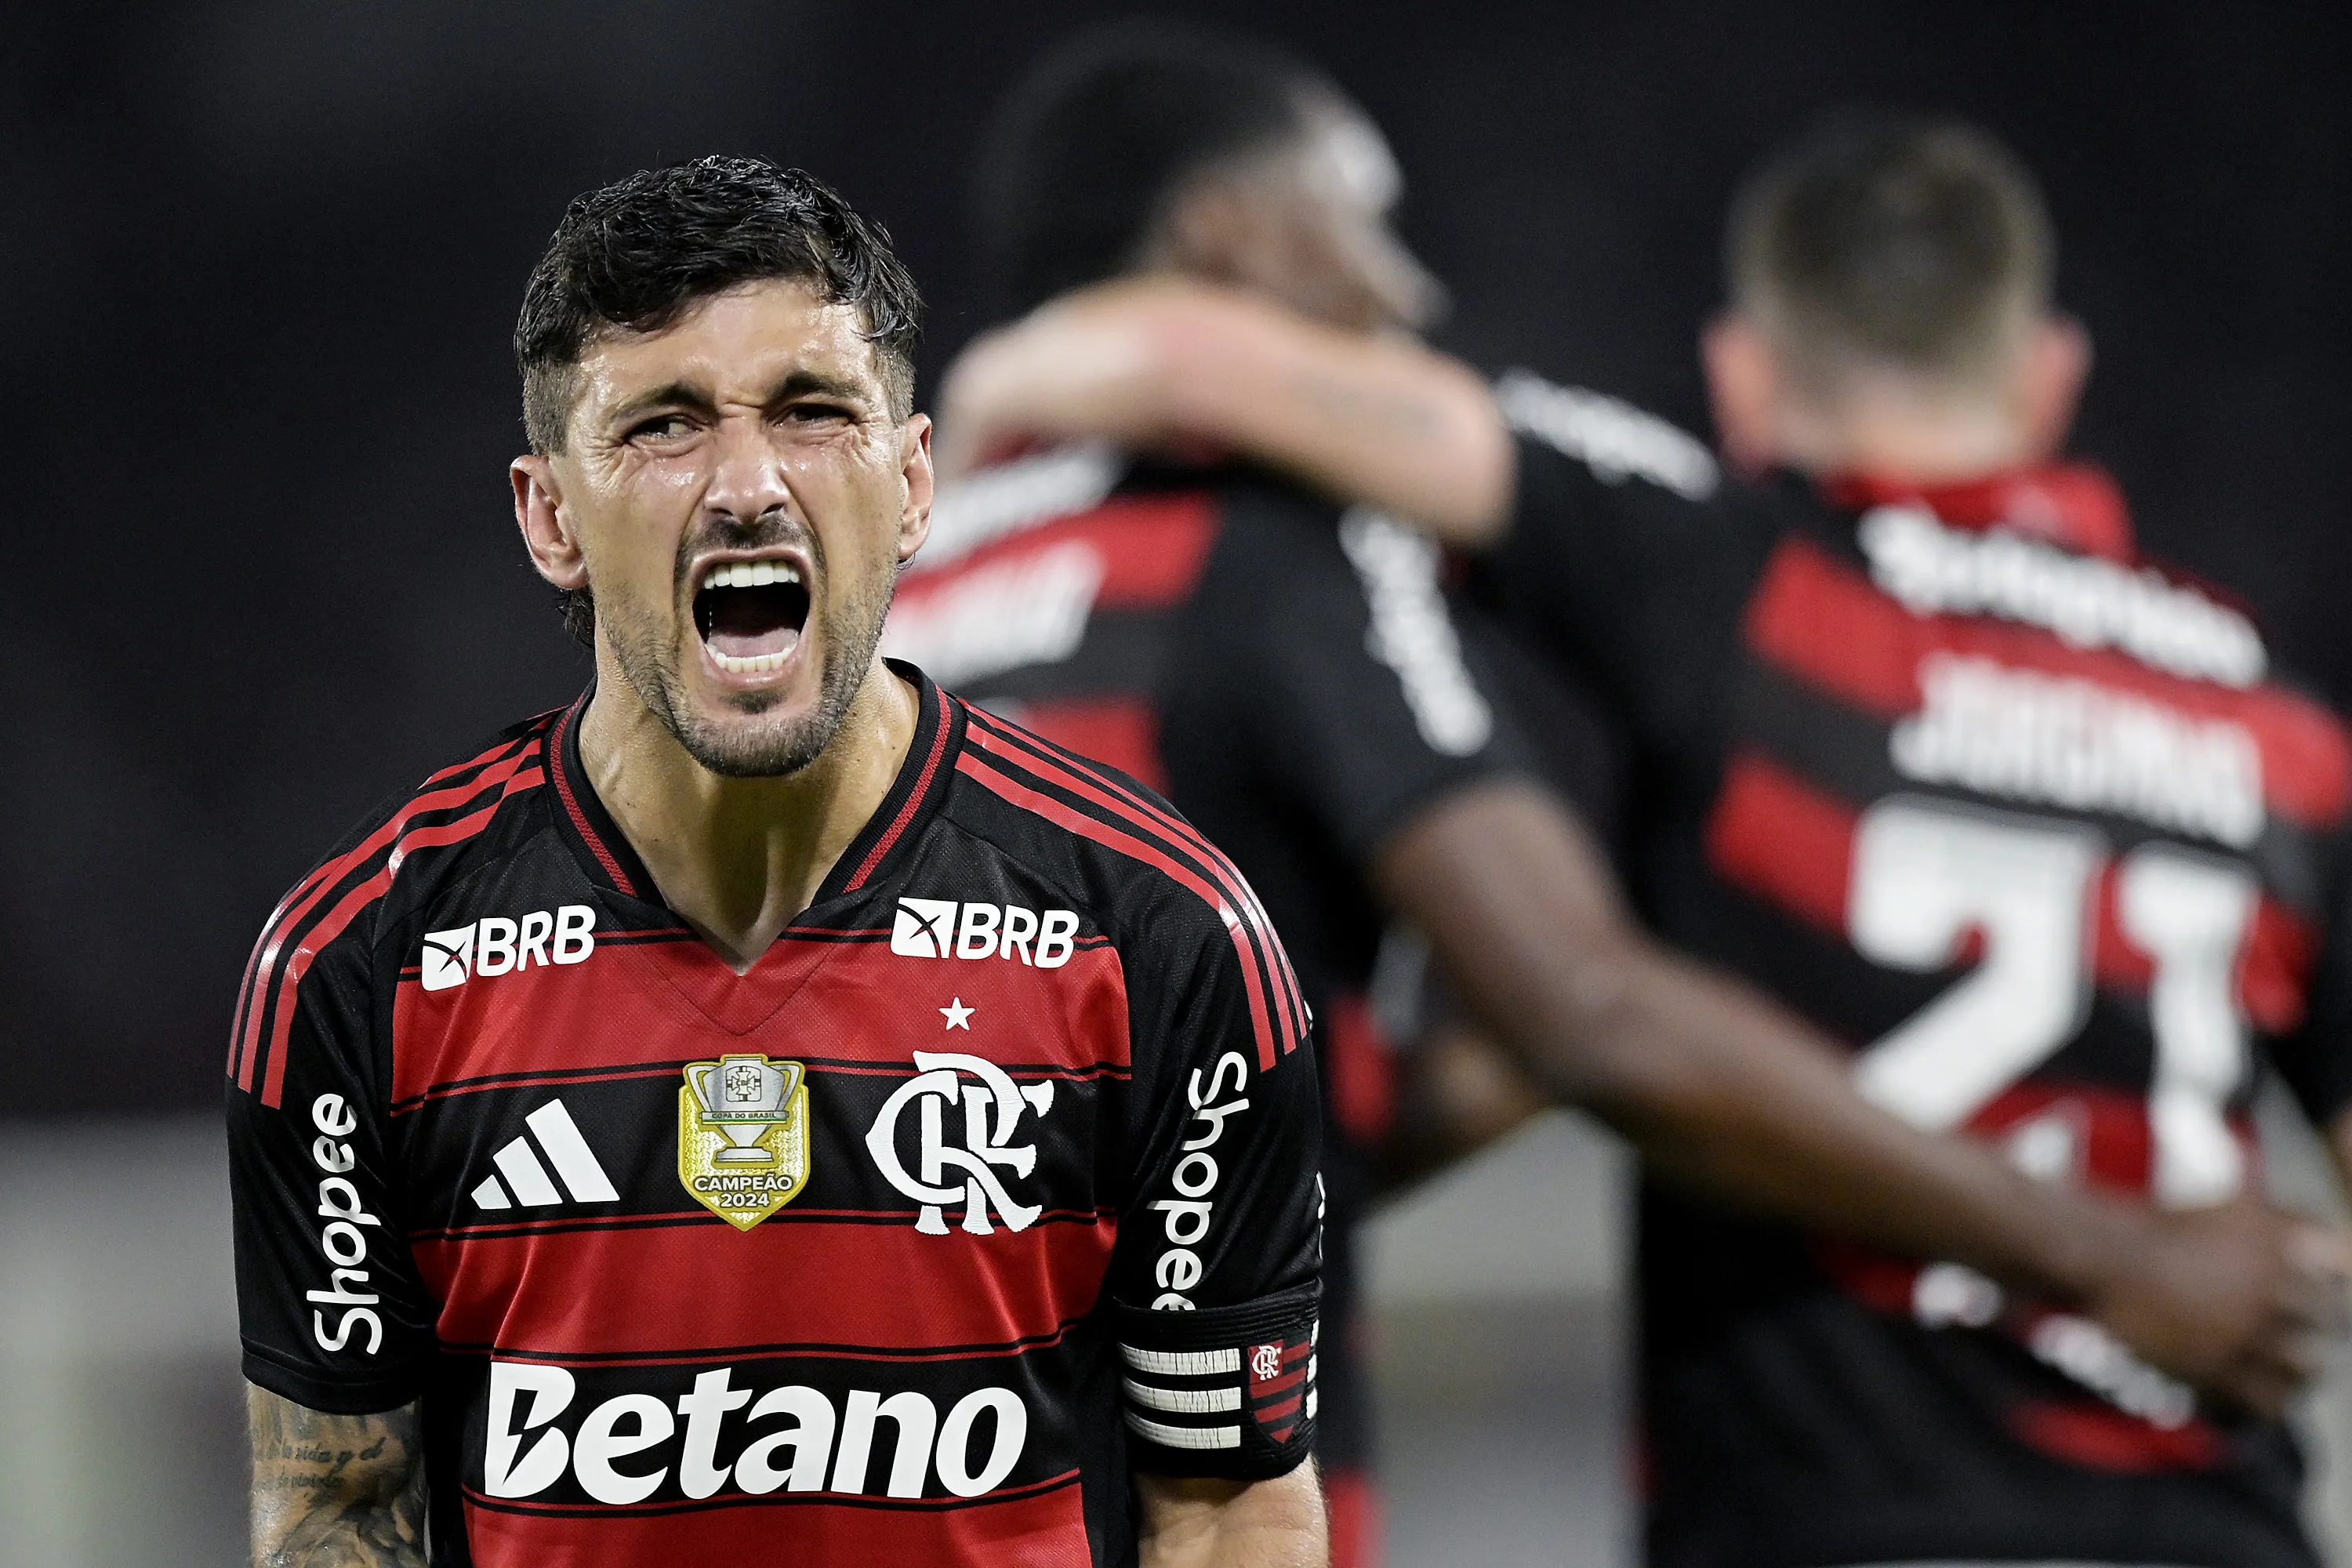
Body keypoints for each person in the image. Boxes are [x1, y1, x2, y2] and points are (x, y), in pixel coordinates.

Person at [924, 34, 2349, 1568]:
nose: (1407, 295)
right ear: (2051, 373)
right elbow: (1582, 1006)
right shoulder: (2272, 719)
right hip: (2207, 1516)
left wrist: (992, 390)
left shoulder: (1726, 576)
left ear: (1742, 377)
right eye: (1367, 229)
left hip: (827, 1459)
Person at [224, 156, 1330, 1568]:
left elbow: (1231, 1498)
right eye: (663, 427)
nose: (748, 486)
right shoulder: (359, 968)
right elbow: (338, 1508)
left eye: (812, 414)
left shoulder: (1161, 934)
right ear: (549, 515)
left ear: (917, 480)